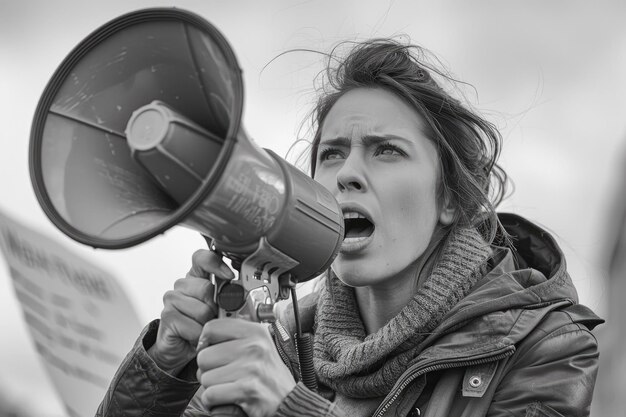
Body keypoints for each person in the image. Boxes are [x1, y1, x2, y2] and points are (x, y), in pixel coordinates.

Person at [96, 39, 603, 417]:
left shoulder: (544, 347)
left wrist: (291, 406)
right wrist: (166, 368)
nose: (348, 174)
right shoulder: (281, 341)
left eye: (387, 150)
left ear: (449, 198)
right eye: (332, 153)